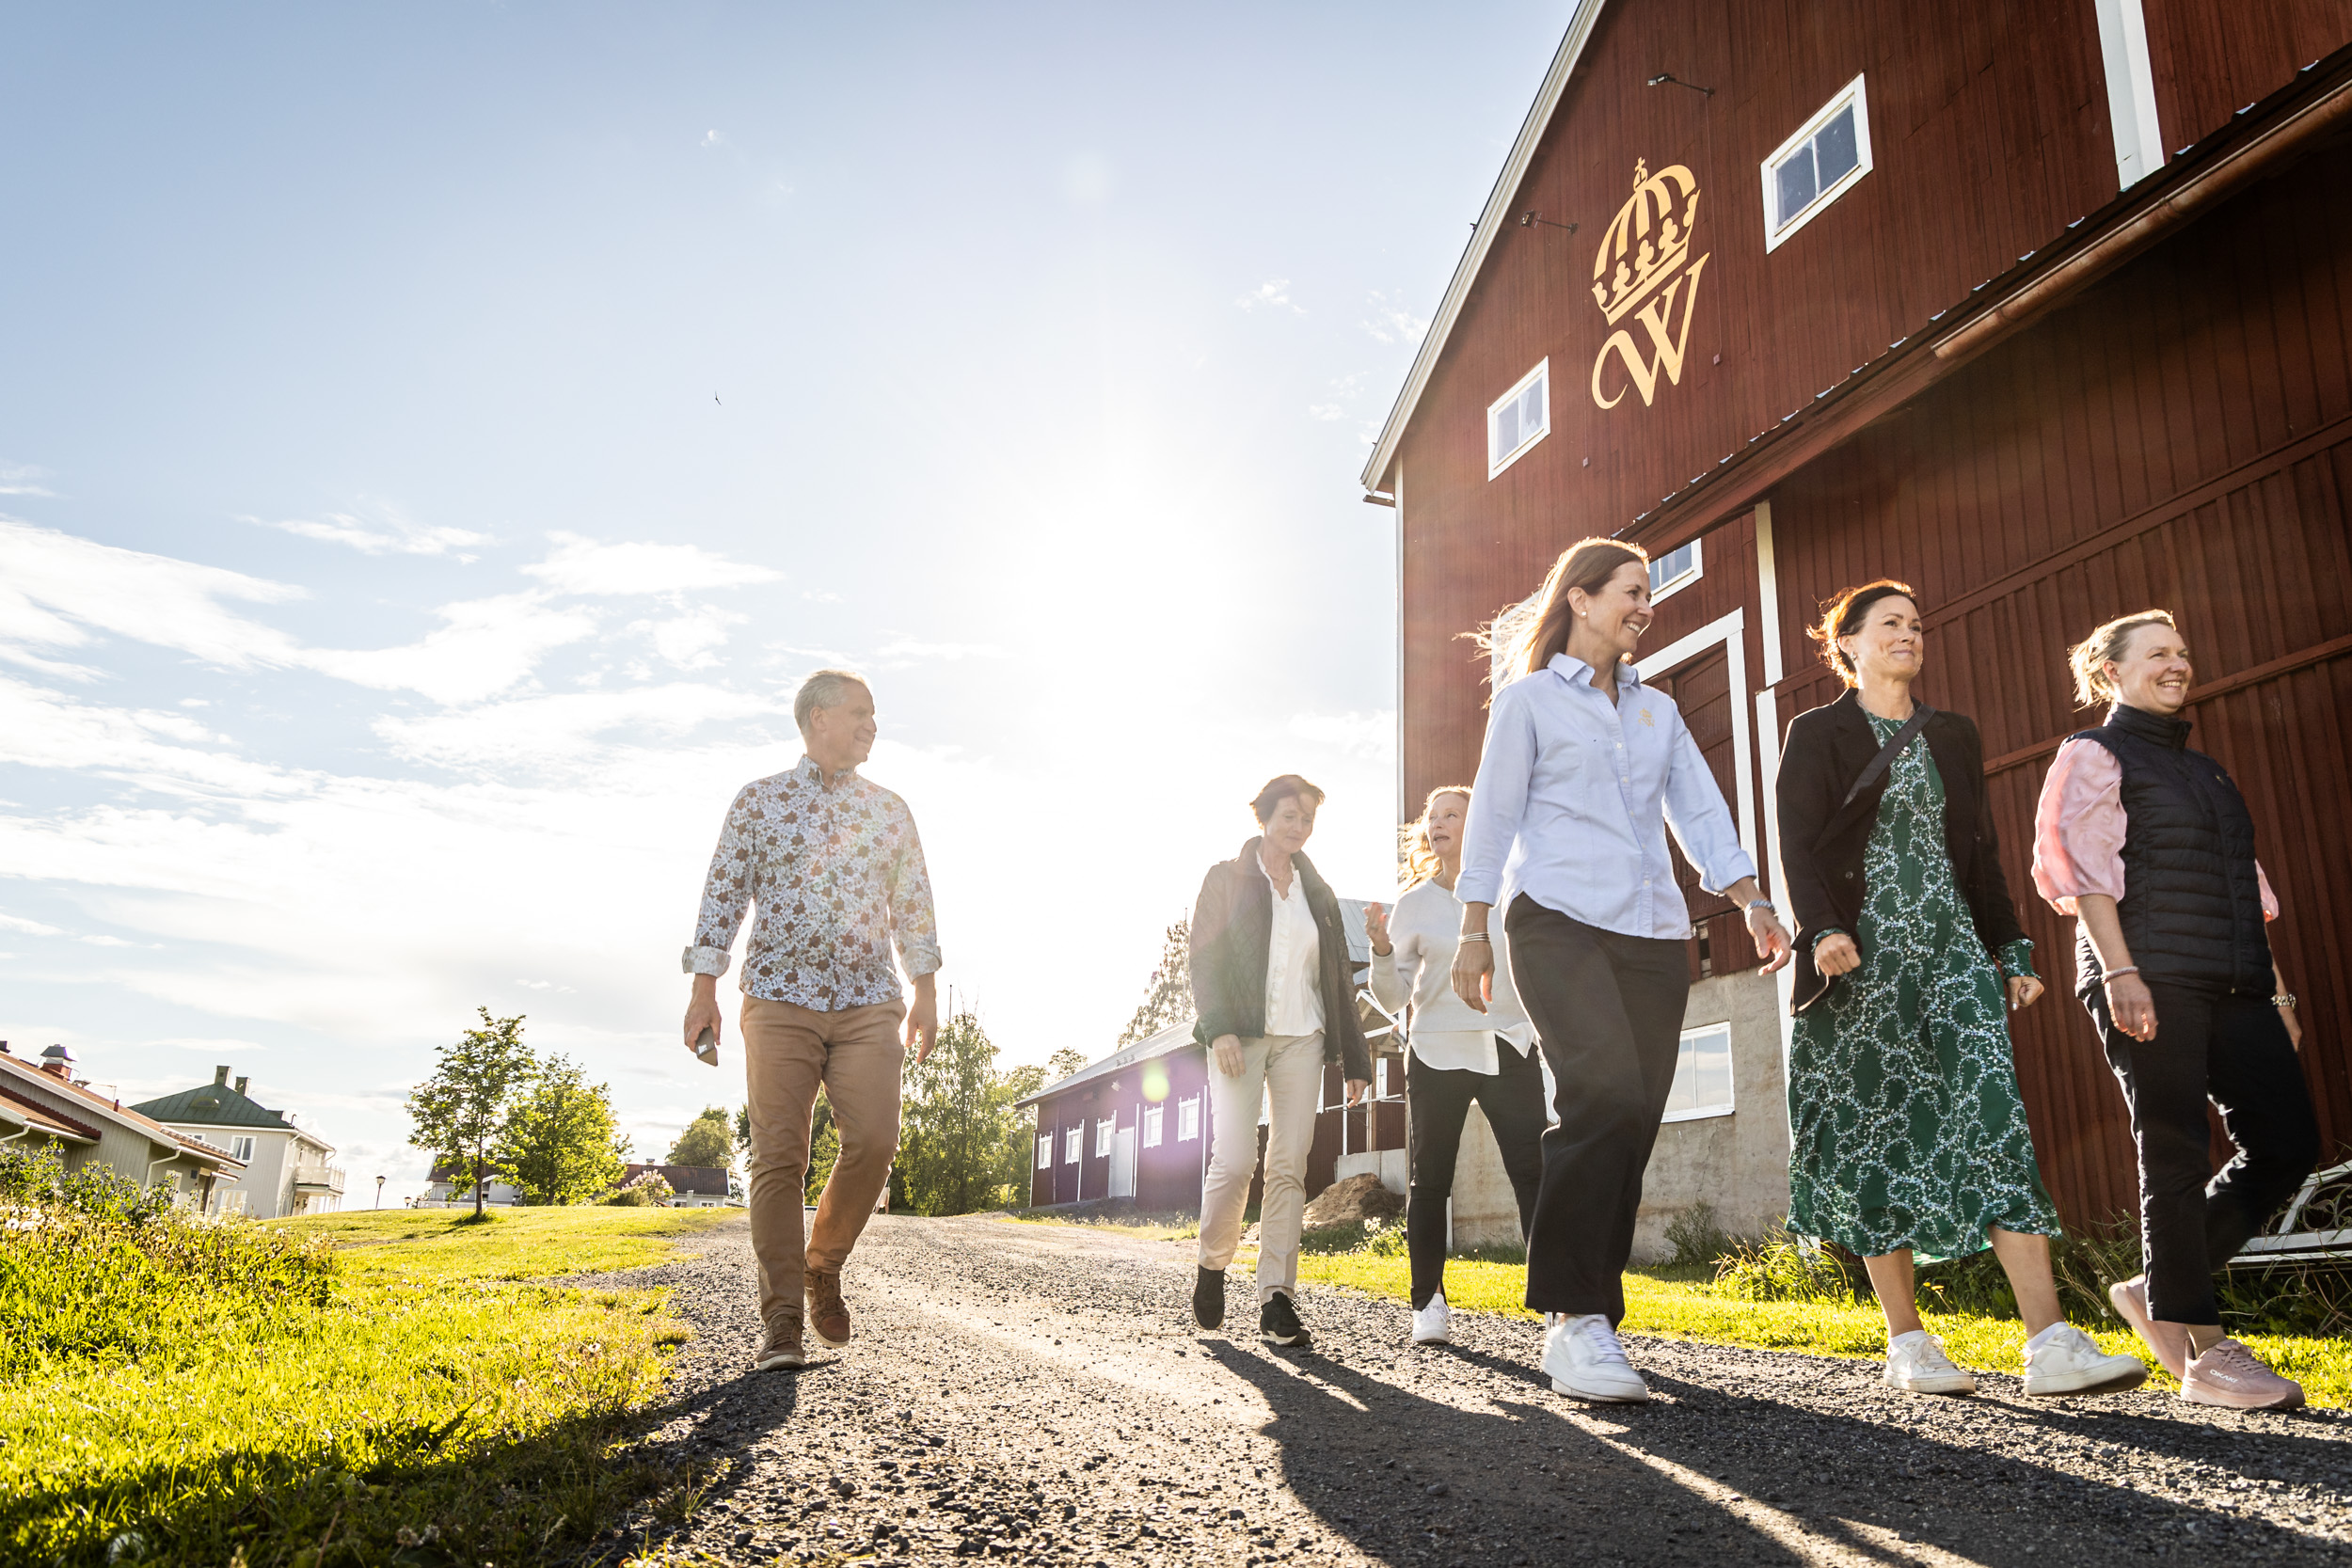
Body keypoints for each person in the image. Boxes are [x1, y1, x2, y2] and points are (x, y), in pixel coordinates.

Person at [1777, 582, 2145, 1399]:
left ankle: (2048, 1339)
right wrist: (1823, 928)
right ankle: (1907, 1340)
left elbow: (1979, 850)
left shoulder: (1951, 733)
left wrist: (2009, 944)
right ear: (1848, 644)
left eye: (1916, 624)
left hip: (1950, 953)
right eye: (1892, 625)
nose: (1910, 635)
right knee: (1879, 1136)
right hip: (1860, 964)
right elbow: (1799, 846)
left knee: (1994, 1114)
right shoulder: (1818, 732)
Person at [1454, 538, 1792, 1404]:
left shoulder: (1658, 712)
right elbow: (1492, 813)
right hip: (1557, 918)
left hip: (1651, 932)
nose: (1648, 605)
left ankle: (1595, 1308)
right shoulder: (1528, 701)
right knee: (1598, 1094)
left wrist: (1750, 897)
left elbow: (1700, 808)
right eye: (1634, 591)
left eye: (1649, 591)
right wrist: (1473, 928)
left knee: (1635, 1115)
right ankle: (1572, 1318)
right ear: (1582, 597)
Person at [2031, 610, 2317, 1411]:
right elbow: (2075, 865)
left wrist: (2279, 992)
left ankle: (2155, 1287)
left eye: (2183, 652)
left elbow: (2246, 886)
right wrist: (2119, 969)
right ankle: (2206, 1351)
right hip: (2146, 973)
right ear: (2110, 672)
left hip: (2236, 981)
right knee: (2177, 1149)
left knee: (2289, 1140)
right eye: (2158, 653)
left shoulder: (2208, 771)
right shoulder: (2093, 752)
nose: (2178, 663)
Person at [681, 669, 941, 1372]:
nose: (872, 725)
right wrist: (704, 986)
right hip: (778, 998)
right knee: (779, 1156)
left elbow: (913, 904)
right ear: (817, 717)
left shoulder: (890, 811)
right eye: (859, 712)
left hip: (867, 1000)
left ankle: (822, 1261)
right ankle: (783, 1323)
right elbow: (722, 894)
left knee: (876, 1139)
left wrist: (926, 989)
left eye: (874, 714)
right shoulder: (760, 802)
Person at [1189, 774, 1372, 1350]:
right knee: (1237, 1160)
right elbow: (1203, 957)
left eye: (1308, 819)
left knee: (1289, 1165)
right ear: (1264, 816)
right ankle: (1213, 1262)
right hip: (1239, 1038)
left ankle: (1276, 1298)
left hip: (1304, 1038)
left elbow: (1340, 978)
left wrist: (1358, 1059)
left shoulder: (1318, 893)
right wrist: (1218, 1028)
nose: (1299, 827)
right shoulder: (1225, 878)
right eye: (1289, 816)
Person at [1367, 785, 1545, 1347]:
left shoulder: (1511, 885)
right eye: (1432, 816)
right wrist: (1378, 950)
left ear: (1479, 821)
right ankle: (1428, 1303)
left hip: (1508, 1045)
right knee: (1430, 1178)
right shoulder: (1414, 904)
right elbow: (1393, 997)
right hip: (1438, 1049)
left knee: (1534, 1176)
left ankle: (1555, 1302)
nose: (1438, 822)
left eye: (1452, 813)